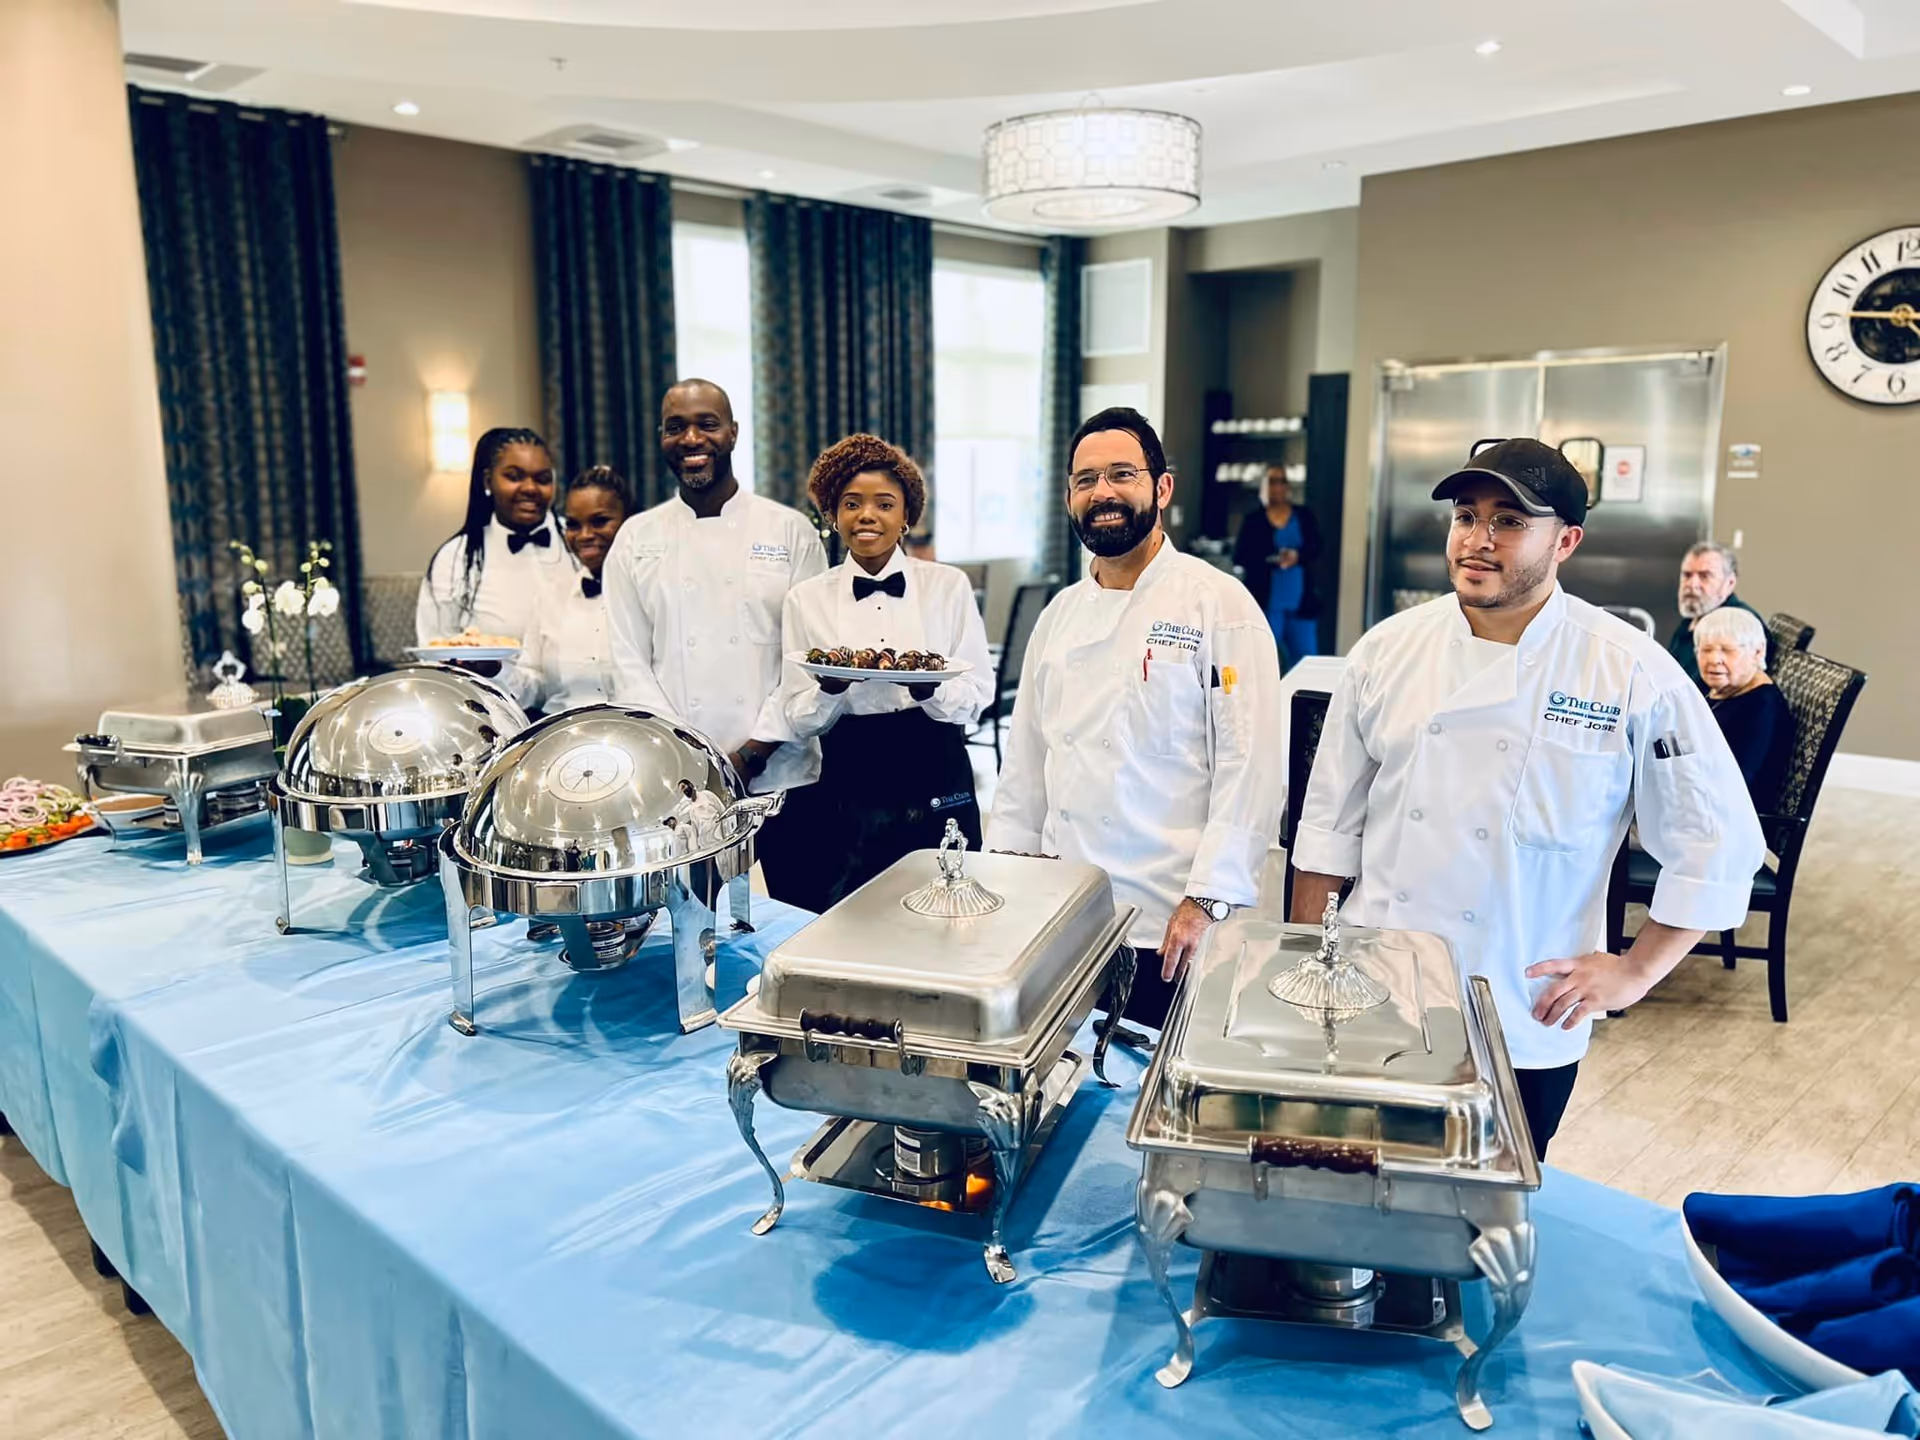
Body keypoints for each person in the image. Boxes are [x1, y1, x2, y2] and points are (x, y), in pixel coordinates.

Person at [1290, 438, 1764, 1157]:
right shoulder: (1387, 652)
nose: (1478, 541)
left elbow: (1719, 843)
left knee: (1483, 1226)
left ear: (1565, 540)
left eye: (1509, 521)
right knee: (1352, 1189)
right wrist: (1310, 968)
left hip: (1521, 1008)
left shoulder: (1630, 671)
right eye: (1466, 515)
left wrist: (1636, 971)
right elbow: (1328, 825)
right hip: (1376, 990)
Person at [986, 407, 1284, 1029]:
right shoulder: (1060, 614)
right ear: (1069, 498)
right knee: (1063, 1082)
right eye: (1086, 480)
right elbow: (1026, 765)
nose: (1104, 494)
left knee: (1147, 1094)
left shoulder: (1219, 605)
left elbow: (1249, 767)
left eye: (1122, 474)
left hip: (1168, 923)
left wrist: (1207, 899)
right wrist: (1006, 879)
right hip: (1058, 912)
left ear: (1162, 488)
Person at [601, 379, 827, 904]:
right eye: (675, 426)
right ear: (660, 437)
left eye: (707, 423)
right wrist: (689, 762)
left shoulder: (789, 530)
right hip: (679, 786)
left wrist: (752, 753)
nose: (691, 438)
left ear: (733, 433)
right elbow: (628, 660)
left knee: (799, 920)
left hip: (783, 773)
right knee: (689, 925)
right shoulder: (636, 537)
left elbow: (807, 660)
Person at [775, 434, 994, 912]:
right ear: (833, 516)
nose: (867, 515)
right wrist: (828, 691)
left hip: (935, 760)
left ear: (906, 516)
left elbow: (978, 693)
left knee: (948, 908)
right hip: (850, 773)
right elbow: (797, 716)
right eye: (851, 503)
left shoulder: (948, 586)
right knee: (854, 915)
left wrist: (930, 692)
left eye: (884, 503)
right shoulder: (805, 599)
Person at [416, 427, 566, 646]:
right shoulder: (454, 558)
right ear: (488, 482)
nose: (530, 488)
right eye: (514, 477)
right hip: (490, 681)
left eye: (542, 479)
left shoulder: (580, 544)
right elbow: (435, 645)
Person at [502, 465, 629, 715]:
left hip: (636, 733)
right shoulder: (551, 596)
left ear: (630, 522)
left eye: (599, 521)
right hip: (561, 734)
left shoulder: (653, 595)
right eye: (573, 524)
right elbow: (534, 686)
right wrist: (496, 670)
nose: (584, 535)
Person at [1694, 605, 1795, 814]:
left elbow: (1733, 788)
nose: (1714, 659)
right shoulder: (1719, 688)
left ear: (1758, 652)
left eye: (1727, 650)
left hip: (1728, 823)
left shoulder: (1761, 708)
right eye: (1706, 649)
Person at [1231, 465, 1322, 669]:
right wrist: (1270, 560)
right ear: (1264, 486)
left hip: (1301, 603)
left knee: (1306, 662)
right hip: (1267, 603)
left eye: (1282, 481)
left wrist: (1297, 556)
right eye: (1272, 481)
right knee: (1265, 662)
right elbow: (1240, 556)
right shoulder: (1254, 521)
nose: (1277, 487)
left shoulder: (1303, 516)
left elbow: (1317, 547)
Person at [1668, 541, 1766, 689]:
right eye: (1687, 575)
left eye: (1704, 576)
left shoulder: (1739, 625)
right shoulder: (1691, 620)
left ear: (1730, 583)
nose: (1692, 584)